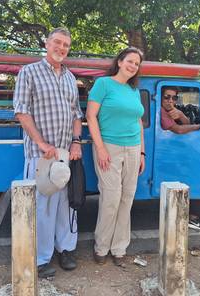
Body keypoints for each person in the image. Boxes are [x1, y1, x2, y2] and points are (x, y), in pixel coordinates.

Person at [13, 27, 83, 278]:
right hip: (41, 155)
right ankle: (41, 258)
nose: (61, 48)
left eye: (66, 45)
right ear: (46, 43)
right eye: (57, 42)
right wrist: (42, 143)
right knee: (42, 206)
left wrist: (77, 142)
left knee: (66, 204)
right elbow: (21, 111)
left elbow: (77, 114)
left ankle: (65, 249)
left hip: (66, 153)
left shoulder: (70, 77)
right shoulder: (29, 72)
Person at [86, 47, 145, 266]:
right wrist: (100, 148)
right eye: (130, 61)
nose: (133, 66)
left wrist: (141, 152)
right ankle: (101, 247)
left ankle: (119, 248)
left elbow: (138, 122)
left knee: (127, 199)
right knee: (110, 198)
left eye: (137, 64)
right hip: (109, 147)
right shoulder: (104, 84)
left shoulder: (133, 90)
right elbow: (91, 116)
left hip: (133, 148)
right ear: (120, 61)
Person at [160, 86, 200, 232]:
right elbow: (178, 130)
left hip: (173, 152)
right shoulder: (160, 111)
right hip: (166, 153)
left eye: (174, 98)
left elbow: (184, 124)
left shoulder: (171, 111)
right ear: (160, 97)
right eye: (167, 97)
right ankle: (194, 217)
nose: (170, 101)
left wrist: (181, 115)